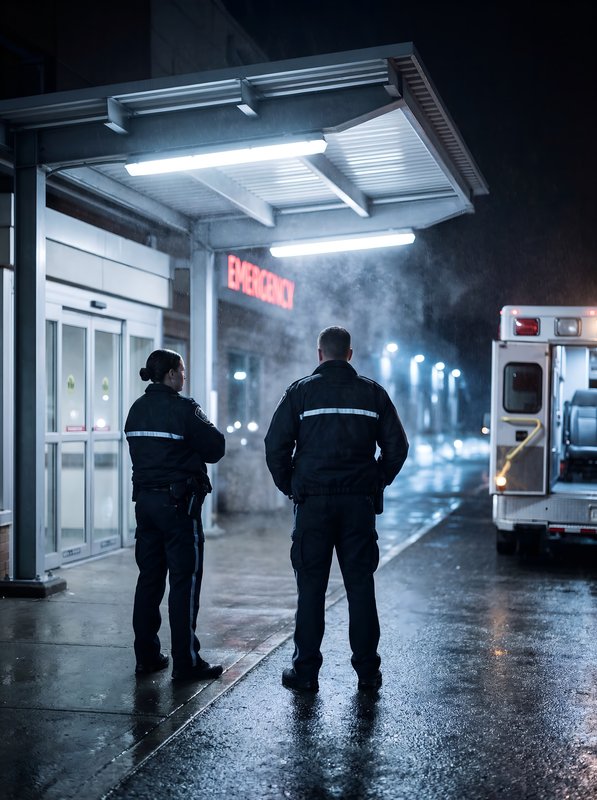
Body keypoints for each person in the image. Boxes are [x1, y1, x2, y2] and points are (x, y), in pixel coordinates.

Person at [264, 326, 409, 692]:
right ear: (349, 354)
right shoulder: (373, 393)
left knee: (310, 588)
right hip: (358, 506)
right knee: (360, 587)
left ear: (319, 354)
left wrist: (291, 485)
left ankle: (306, 673)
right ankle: (367, 673)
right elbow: (397, 446)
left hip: (312, 504)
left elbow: (274, 445)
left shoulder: (300, 393)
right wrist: (376, 480)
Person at [125, 348, 225, 682]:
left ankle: (147, 657)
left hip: (146, 507)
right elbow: (216, 448)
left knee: (149, 581)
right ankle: (186, 662)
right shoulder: (184, 410)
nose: (184, 376)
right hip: (179, 509)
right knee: (184, 582)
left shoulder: (136, 410)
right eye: (181, 370)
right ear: (170, 374)